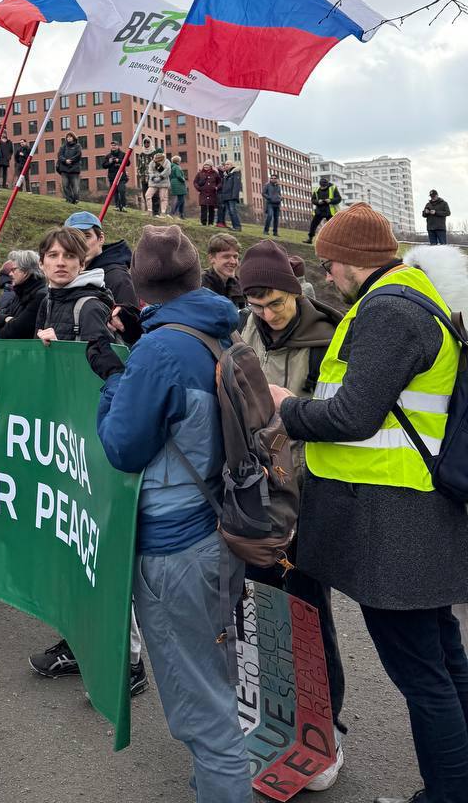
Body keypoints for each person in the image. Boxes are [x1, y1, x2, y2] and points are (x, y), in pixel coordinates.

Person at [272, 205, 468, 803]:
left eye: (330, 261)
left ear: (354, 261)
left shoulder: (389, 310)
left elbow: (353, 416)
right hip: (412, 512)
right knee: (443, 661)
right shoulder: (413, 301)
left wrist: (286, 407)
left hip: (395, 522)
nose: (327, 273)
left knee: (422, 676)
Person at [92, 224, 251, 802]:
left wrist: (114, 382)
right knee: (213, 674)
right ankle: (217, 780)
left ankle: (223, 788)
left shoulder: (159, 350)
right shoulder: (217, 328)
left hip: (172, 546)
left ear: (138, 286)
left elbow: (122, 446)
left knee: (198, 704)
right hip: (217, 526)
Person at [238, 240, 348, 790]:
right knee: (262, 612)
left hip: (308, 497)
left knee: (309, 614)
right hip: (258, 497)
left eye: (274, 302)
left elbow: (344, 421)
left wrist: (291, 409)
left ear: (295, 290)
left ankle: (325, 731)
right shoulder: (247, 332)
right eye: (255, 304)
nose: (266, 314)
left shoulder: (330, 337)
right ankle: (275, 723)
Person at [28, 225, 147, 695]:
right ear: (42, 263)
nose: (59, 262)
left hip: (93, 447)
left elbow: (113, 368)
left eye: (68, 256)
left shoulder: (90, 304)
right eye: (51, 255)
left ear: (82, 263)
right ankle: (79, 641)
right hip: (64, 444)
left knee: (104, 550)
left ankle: (129, 661)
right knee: (73, 548)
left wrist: (71, 352)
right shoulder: (47, 300)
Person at [65, 210, 138, 308]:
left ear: (101, 238)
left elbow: (130, 320)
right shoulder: (66, 274)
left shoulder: (117, 278)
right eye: (73, 238)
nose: (80, 244)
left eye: (86, 236)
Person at [0, 250, 47, 339]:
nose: (10, 274)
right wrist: (6, 319)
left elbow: (13, 331)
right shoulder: (20, 294)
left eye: (14, 269)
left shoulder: (40, 296)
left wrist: (5, 322)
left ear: (26, 271)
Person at [201, 233, 246, 310]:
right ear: (211, 258)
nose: (233, 262)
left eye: (235, 257)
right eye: (226, 256)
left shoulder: (239, 285)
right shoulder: (199, 286)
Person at [307, 175, 342, 243]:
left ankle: (334, 241)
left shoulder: (333, 188)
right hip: (319, 210)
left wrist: (330, 200)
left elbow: (339, 199)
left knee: (332, 227)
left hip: (330, 211)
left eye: (324, 186)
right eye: (321, 186)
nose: (322, 188)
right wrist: (318, 202)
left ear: (327, 184)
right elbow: (313, 200)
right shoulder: (316, 189)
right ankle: (310, 239)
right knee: (313, 224)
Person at [56, 132, 83, 204]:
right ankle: (69, 199)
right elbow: (59, 156)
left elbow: (78, 155)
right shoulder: (63, 147)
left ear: (73, 138)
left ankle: (76, 200)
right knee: (65, 186)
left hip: (74, 169)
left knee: (75, 187)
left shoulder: (78, 146)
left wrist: (70, 160)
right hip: (64, 169)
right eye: (67, 137)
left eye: (70, 137)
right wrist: (65, 160)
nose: (69, 138)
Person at [101, 144, 129, 211]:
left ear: (118, 146)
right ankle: (117, 206)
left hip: (121, 177)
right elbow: (104, 166)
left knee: (122, 190)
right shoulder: (108, 156)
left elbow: (128, 163)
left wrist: (118, 160)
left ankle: (123, 206)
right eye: (112, 145)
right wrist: (110, 162)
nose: (113, 146)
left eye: (115, 145)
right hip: (112, 177)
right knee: (114, 192)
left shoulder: (123, 154)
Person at [193, 159, 221, 226]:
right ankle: (203, 222)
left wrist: (216, 187)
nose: (205, 166)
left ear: (211, 166)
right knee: (203, 208)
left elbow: (220, 182)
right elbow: (195, 182)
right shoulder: (200, 173)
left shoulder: (215, 173)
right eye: (205, 165)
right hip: (203, 193)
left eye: (207, 165)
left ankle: (211, 223)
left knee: (211, 209)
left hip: (212, 193)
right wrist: (199, 188)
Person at [216, 161, 243, 230]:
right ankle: (235, 226)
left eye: (228, 164)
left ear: (232, 165)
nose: (226, 166)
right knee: (230, 212)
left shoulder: (236, 173)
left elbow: (236, 186)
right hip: (226, 197)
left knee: (233, 211)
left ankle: (237, 226)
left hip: (232, 196)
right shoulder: (226, 174)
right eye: (225, 165)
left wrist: (234, 196)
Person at [144, 152, 171, 217]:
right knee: (148, 195)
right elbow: (150, 170)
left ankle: (163, 213)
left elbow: (167, 170)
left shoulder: (167, 162)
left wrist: (161, 177)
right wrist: (153, 177)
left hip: (163, 181)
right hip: (153, 182)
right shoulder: (152, 162)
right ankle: (149, 211)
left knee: (163, 198)